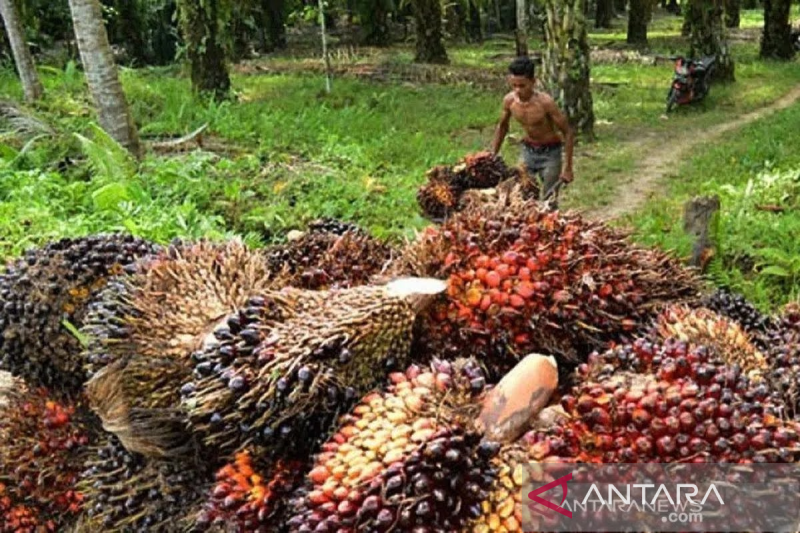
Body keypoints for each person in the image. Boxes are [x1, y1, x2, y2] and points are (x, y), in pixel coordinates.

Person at [490, 56, 575, 208]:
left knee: (549, 199)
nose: (518, 90)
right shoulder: (509, 101)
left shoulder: (545, 103)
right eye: (514, 85)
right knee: (519, 194)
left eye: (522, 86)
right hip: (528, 152)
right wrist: (492, 155)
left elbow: (568, 132)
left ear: (533, 82)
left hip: (550, 154)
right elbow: (502, 127)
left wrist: (568, 168)